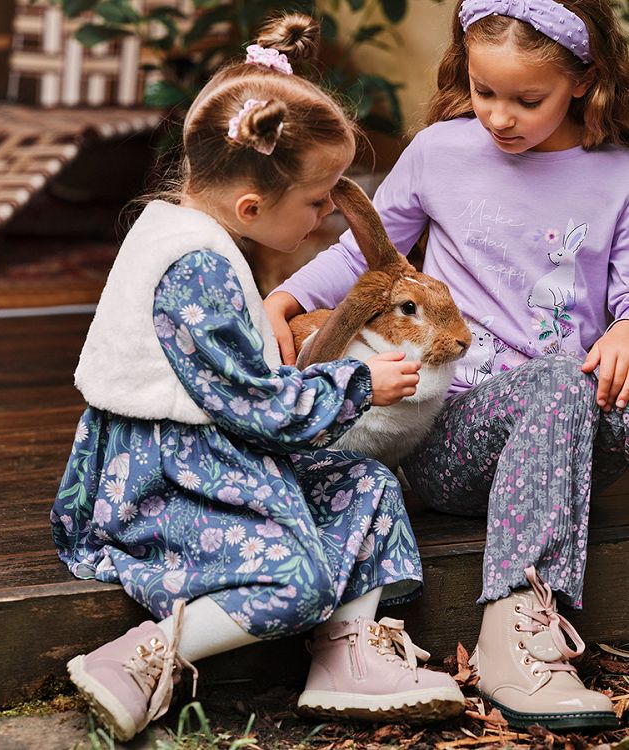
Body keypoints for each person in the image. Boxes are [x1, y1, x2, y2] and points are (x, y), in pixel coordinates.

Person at [51, 13, 466, 743]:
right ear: (252, 206)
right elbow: (257, 409)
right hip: (167, 478)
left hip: (216, 453)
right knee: (296, 578)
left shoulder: (188, 228)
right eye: (316, 201)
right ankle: (140, 659)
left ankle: (347, 661)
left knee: (365, 485)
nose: (320, 222)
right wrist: (359, 382)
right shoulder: (197, 268)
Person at [265, 0, 629, 732]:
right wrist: (287, 294)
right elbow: (364, 254)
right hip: (457, 436)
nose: (500, 116)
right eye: (485, 91)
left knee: (572, 383)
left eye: (528, 100)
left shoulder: (617, 173)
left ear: (585, 81)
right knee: (557, 379)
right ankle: (516, 631)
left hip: (579, 434)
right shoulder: (439, 152)